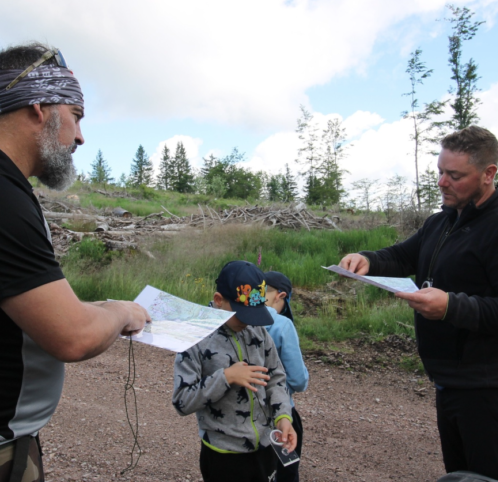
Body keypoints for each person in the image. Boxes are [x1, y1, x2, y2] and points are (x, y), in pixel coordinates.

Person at [0, 43, 150, 482]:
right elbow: (73, 338)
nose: (81, 137)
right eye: (77, 115)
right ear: (38, 107)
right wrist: (120, 311)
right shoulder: (5, 199)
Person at [339, 125, 498, 479]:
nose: (442, 182)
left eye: (454, 175)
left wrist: (451, 306)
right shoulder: (442, 221)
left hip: (487, 389)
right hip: (448, 381)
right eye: (440, 171)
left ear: (489, 174)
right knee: (460, 476)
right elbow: (402, 256)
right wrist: (368, 259)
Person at [172, 260, 297, 482]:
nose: (249, 322)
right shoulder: (195, 338)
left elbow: (276, 378)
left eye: (255, 313)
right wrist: (226, 377)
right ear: (219, 300)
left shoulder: (257, 330)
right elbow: (182, 401)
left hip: (266, 448)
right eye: (243, 314)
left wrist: (283, 417)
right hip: (224, 457)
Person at [264, 271, 308, 482]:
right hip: (280, 416)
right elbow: (299, 380)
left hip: (244, 416)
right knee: (284, 474)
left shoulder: (235, 317)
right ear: (280, 296)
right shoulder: (282, 325)